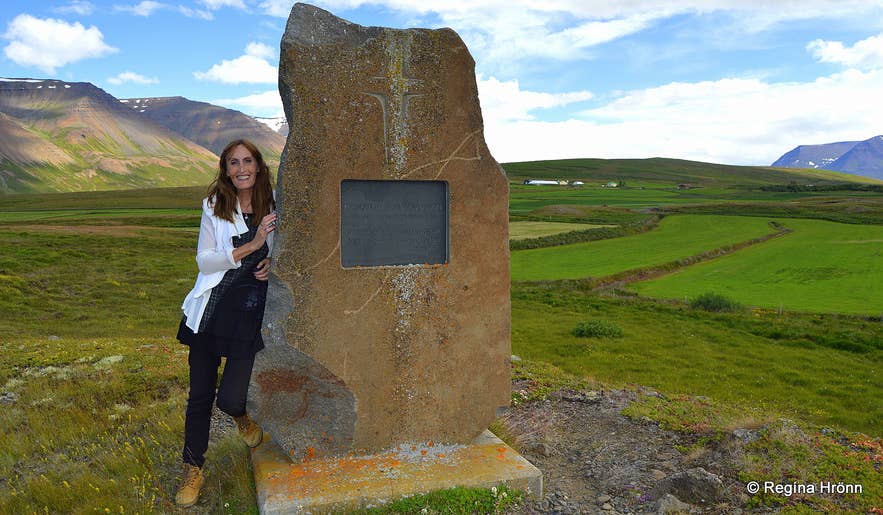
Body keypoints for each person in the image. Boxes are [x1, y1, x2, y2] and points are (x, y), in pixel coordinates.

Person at [173, 139, 277, 507]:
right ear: (225, 169)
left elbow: (292, 246)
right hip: (211, 310)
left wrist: (273, 263)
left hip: (248, 313)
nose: (241, 168)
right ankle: (192, 468)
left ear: (260, 165)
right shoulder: (215, 204)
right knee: (200, 396)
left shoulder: (276, 201)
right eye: (233, 163)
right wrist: (252, 246)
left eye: (247, 161)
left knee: (231, 397)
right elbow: (204, 261)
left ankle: (240, 416)